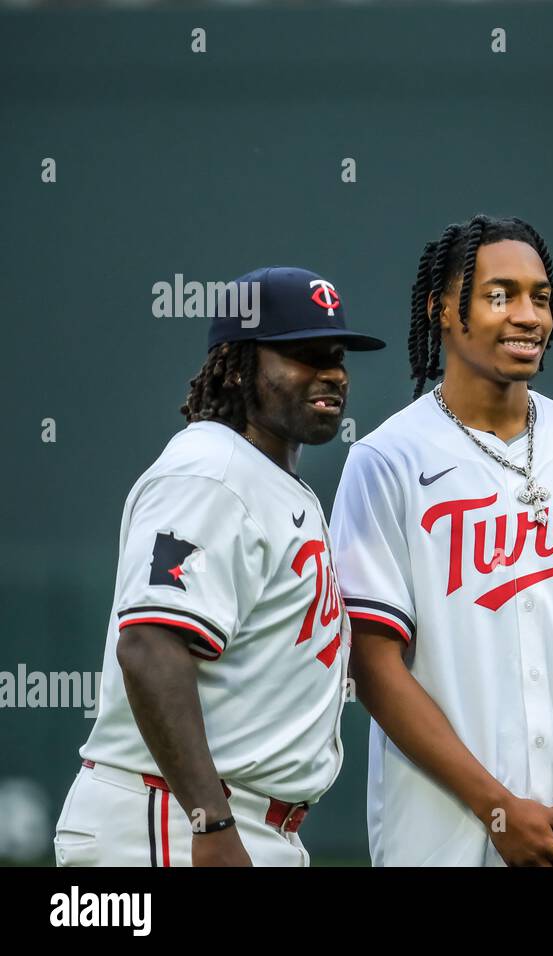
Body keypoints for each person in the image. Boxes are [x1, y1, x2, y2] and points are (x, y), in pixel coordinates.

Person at [330, 215, 553, 866]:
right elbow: (374, 668)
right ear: (443, 309)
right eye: (501, 295)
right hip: (442, 842)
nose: (528, 315)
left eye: (540, 297)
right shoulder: (386, 460)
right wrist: (497, 809)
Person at [54, 266, 385, 867]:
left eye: (336, 355)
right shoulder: (210, 474)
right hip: (170, 822)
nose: (332, 373)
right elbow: (151, 646)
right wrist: (212, 824)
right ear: (236, 367)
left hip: (241, 823)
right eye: (303, 354)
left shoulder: (270, 480)